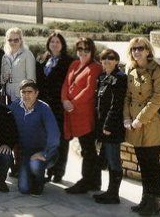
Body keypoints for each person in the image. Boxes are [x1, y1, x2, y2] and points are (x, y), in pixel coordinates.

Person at [125, 37, 160, 216]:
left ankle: (155, 202)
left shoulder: (158, 71)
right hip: (135, 123)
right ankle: (145, 199)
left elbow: (159, 98)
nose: (137, 51)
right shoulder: (131, 70)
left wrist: (140, 119)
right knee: (142, 163)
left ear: (148, 50)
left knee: (152, 163)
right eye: (134, 49)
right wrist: (127, 118)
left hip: (151, 123)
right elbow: (127, 97)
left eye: (140, 48)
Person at [62, 37, 103, 194]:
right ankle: (95, 182)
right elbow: (66, 83)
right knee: (88, 149)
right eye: (80, 50)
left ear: (92, 51)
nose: (83, 53)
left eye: (86, 50)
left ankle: (87, 181)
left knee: (88, 150)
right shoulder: (74, 64)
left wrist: (73, 103)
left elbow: (89, 90)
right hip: (72, 114)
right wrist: (65, 100)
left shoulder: (95, 68)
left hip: (85, 115)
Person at [10, 79, 60, 195]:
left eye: (30, 92)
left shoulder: (44, 108)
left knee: (36, 164)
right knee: (23, 189)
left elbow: (54, 134)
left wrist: (45, 153)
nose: (26, 95)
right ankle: (31, 176)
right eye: (23, 92)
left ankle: (39, 183)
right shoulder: (14, 106)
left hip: (44, 152)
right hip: (26, 153)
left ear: (36, 93)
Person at [35, 32, 74, 183]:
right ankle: (47, 169)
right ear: (48, 44)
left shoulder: (68, 62)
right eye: (52, 41)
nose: (55, 44)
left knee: (60, 140)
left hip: (59, 107)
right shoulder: (43, 59)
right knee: (46, 139)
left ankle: (58, 171)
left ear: (62, 44)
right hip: (44, 106)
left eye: (58, 42)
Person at [93, 49, 127, 204]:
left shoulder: (120, 78)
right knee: (107, 157)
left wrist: (108, 125)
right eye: (104, 58)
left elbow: (117, 104)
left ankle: (114, 194)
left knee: (113, 159)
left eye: (111, 58)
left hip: (112, 126)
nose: (107, 60)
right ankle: (109, 192)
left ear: (116, 61)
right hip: (103, 125)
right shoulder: (103, 77)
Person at [1, 27, 36, 105]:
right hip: (8, 97)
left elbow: (31, 79)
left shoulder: (27, 54)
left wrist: (28, 97)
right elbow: (2, 80)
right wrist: (4, 78)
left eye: (16, 40)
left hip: (22, 97)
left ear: (21, 40)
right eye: (10, 40)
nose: (13, 42)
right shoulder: (5, 56)